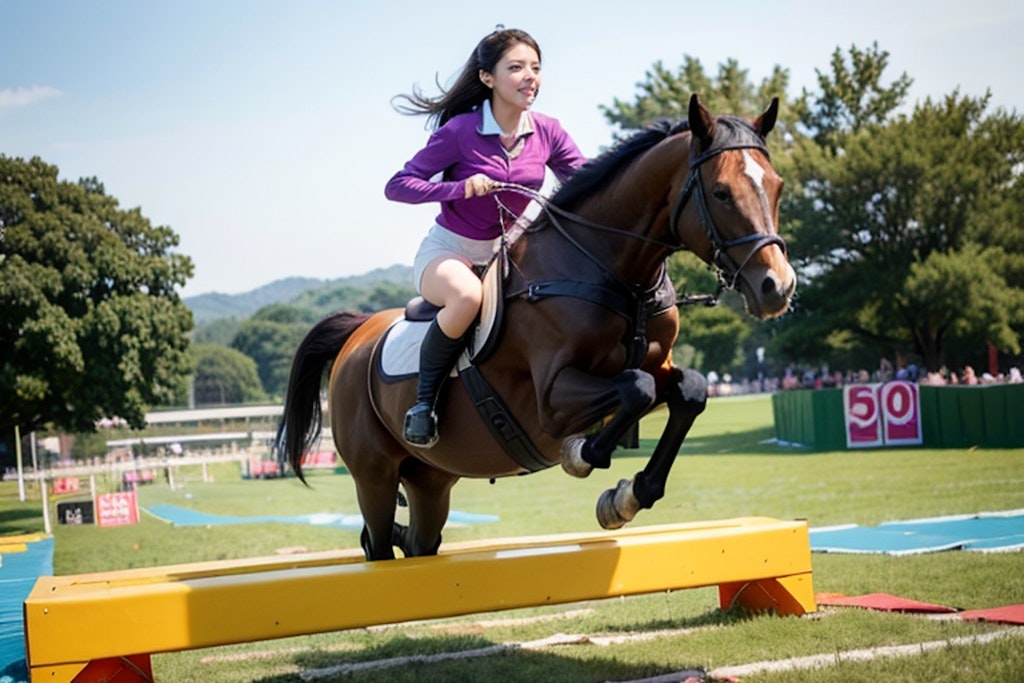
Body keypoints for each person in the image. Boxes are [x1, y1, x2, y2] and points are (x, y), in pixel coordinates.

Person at [385, 27, 587, 447]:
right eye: (516, 67)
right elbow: (398, 186)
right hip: (449, 253)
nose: (529, 76)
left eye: (535, 67)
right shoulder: (459, 132)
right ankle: (423, 404)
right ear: (487, 78)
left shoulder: (548, 131)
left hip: (507, 255)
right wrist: (458, 188)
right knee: (467, 298)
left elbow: (587, 184)